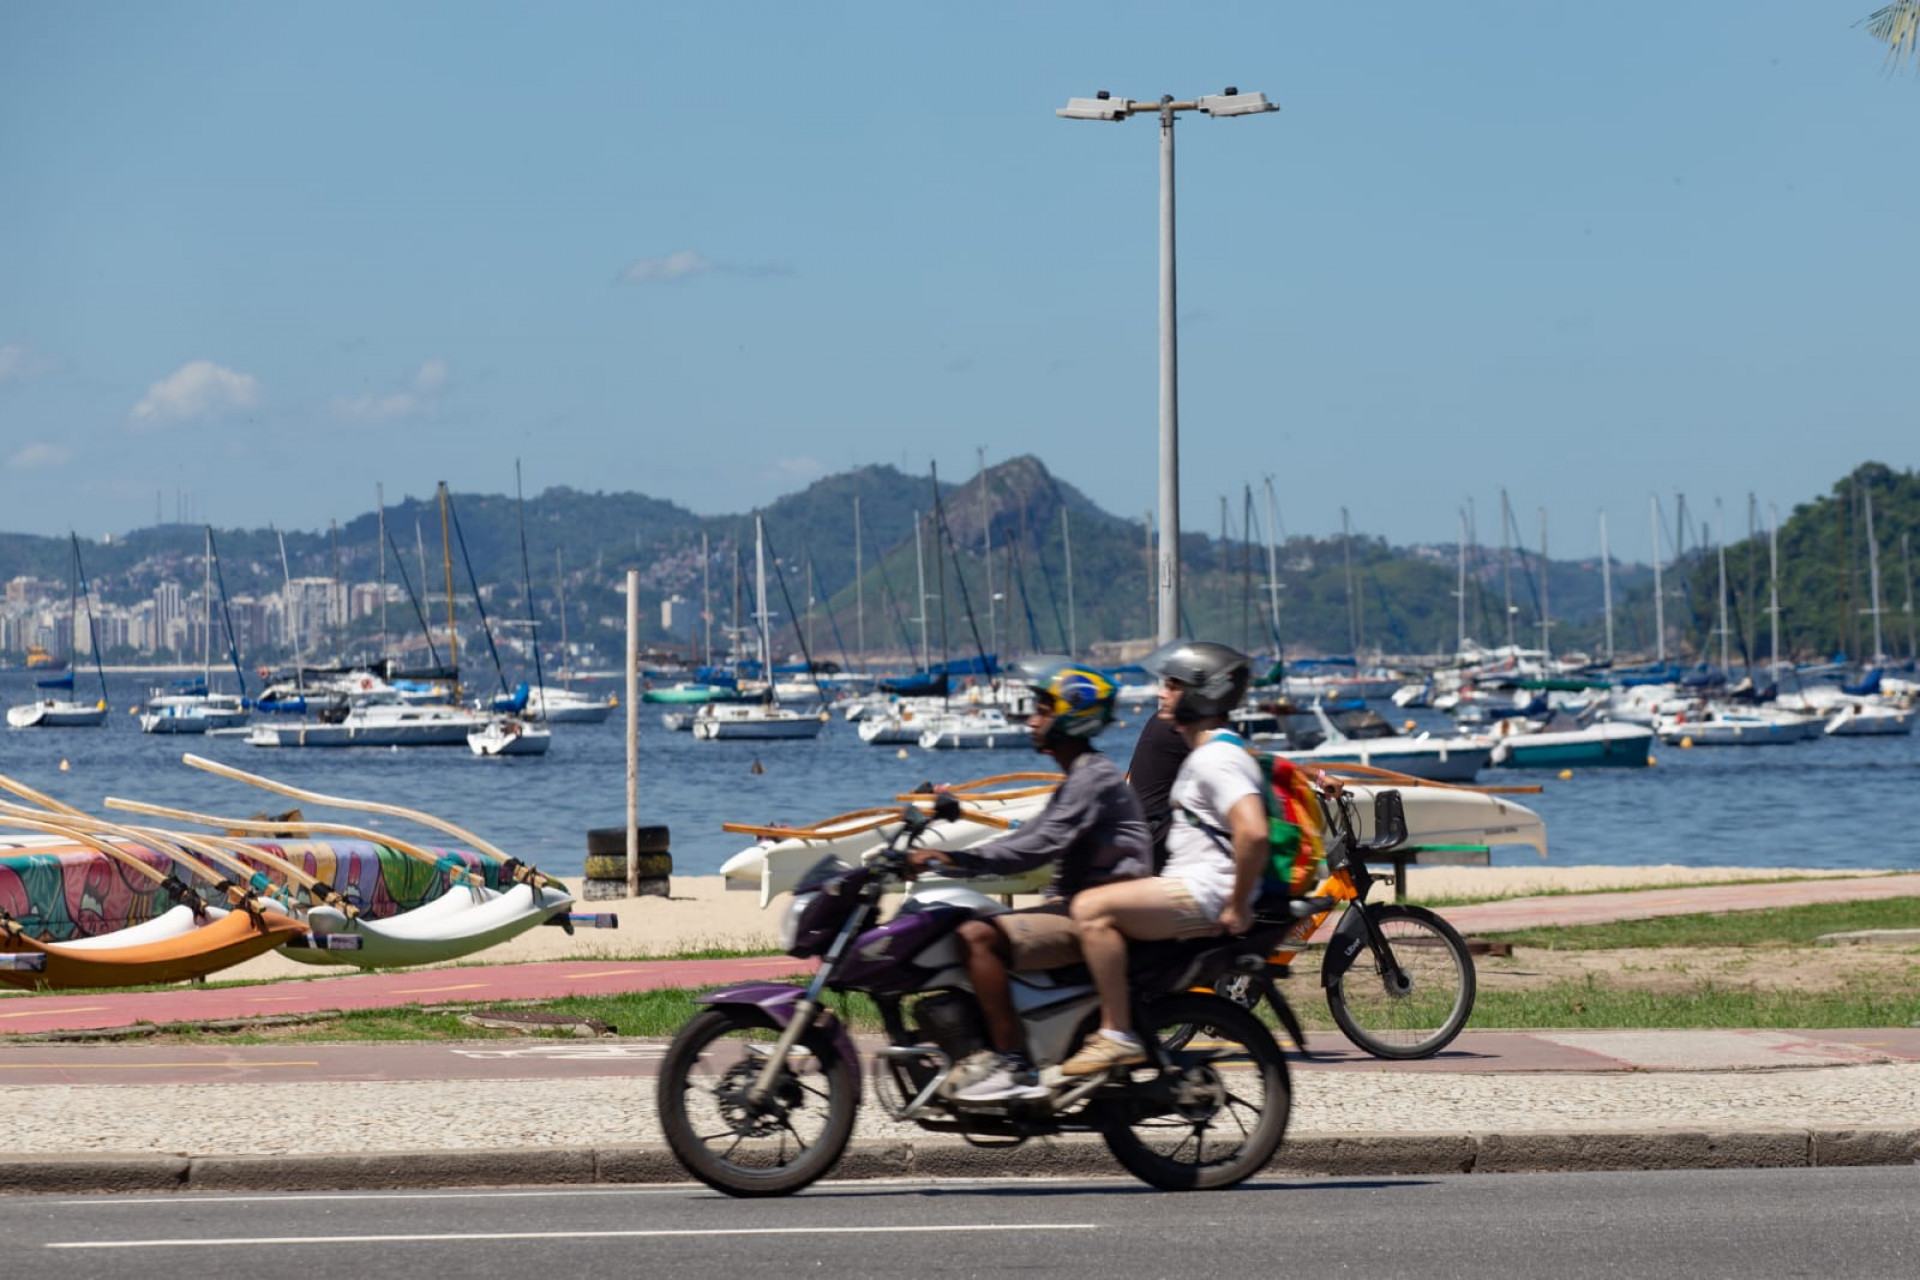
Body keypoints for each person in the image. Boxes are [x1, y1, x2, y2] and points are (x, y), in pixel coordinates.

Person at [907, 658, 1151, 1102]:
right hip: (1077, 906)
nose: (1033, 719)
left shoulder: (1091, 779)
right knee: (959, 921)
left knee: (977, 936)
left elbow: (1033, 848)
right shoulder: (1081, 776)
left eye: (1044, 709)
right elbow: (1037, 837)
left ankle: (1010, 1062)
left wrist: (952, 858)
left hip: (1092, 912)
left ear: (1073, 716)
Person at [1061, 639, 1269, 1077]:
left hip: (1203, 892)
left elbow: (1253, 831)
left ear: (1200, 693)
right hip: (1190, 883)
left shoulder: (1216, 757)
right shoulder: (1209, 750)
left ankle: (1116, 1034)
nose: (1161, 694)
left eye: (1172, 685)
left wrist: (1236, 903)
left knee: (1090, 910)